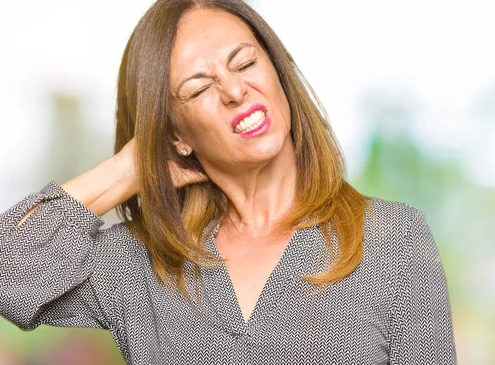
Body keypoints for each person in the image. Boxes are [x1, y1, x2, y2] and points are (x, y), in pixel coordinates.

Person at [0, 0, 457, 363]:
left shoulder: (394, 240)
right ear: (175, 134)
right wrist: (129, 169)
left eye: (245, 63)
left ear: (278, 71)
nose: (234, 91)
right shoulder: (140, 263)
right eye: (199, 88)